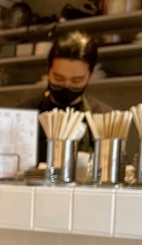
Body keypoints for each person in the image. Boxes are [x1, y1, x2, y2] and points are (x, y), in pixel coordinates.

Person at [20, 30, 112, 163]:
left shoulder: (104, 118)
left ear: (91, 73)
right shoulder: (25, 114)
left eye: (76, 80)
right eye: (59, 78)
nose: (66, 85)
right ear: (48, 68)